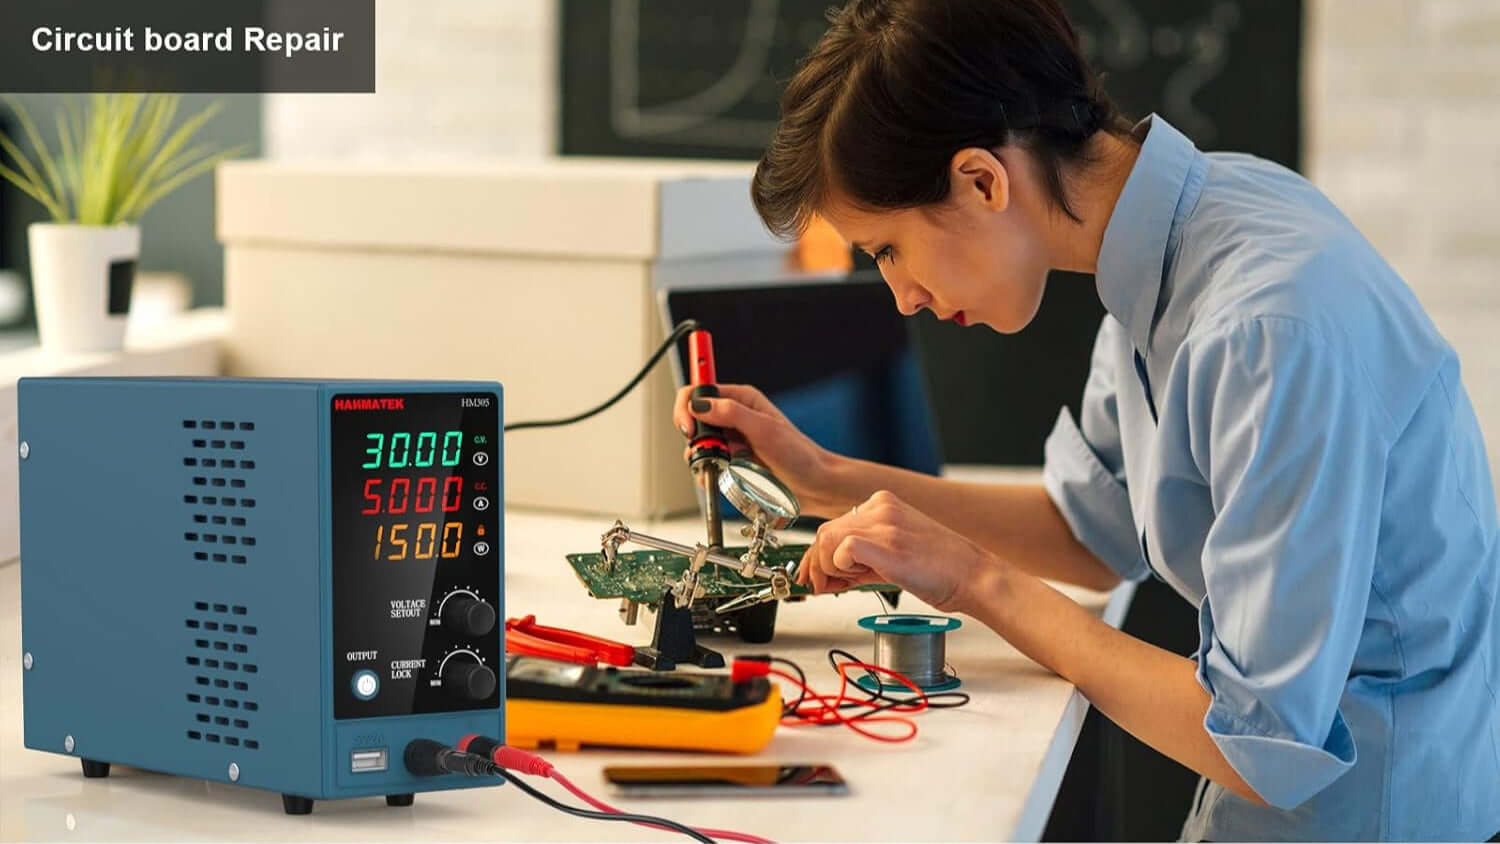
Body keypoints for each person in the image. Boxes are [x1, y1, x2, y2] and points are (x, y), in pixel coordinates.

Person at [671, 0, 1500, 840]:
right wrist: (830, 480)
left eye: (887, 249)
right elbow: (1090, 534)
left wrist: (974, 581)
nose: (903, 296)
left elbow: (1262, 743)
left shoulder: (1263, 327)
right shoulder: (1185, 231)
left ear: (982, 180)